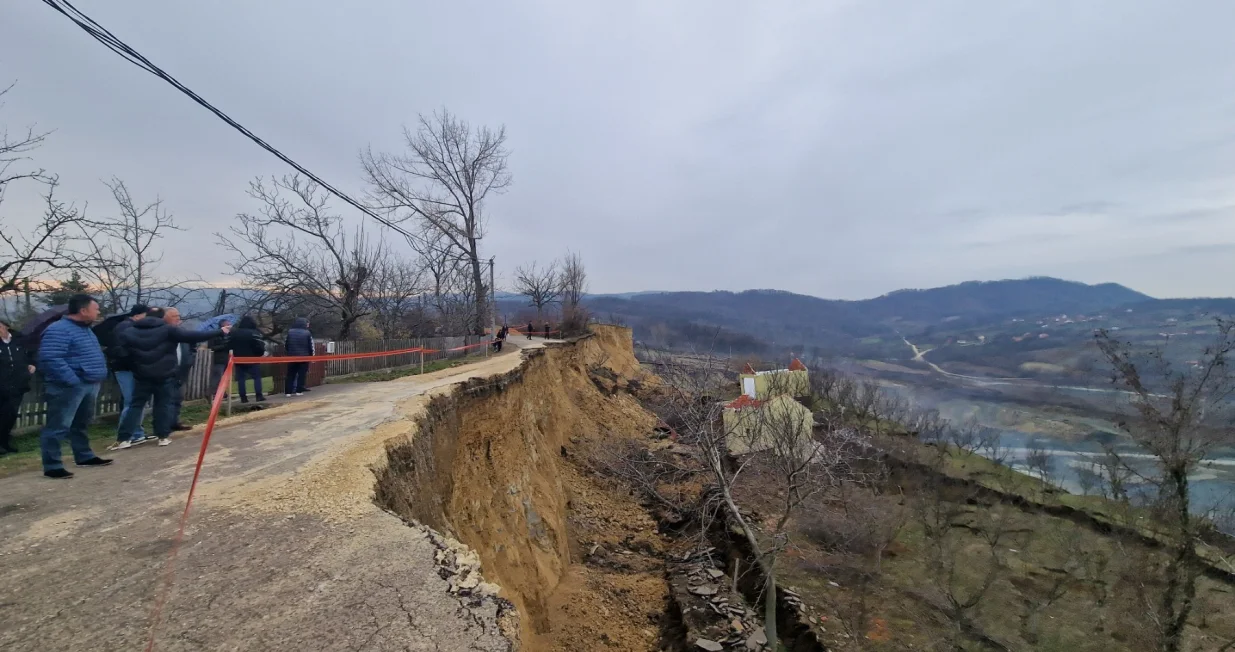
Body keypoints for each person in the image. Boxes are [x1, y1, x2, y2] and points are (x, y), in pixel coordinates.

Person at [116, 307, 228, 447]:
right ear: (162, 317)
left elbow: (121, 352)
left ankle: (124, 438)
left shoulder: (129, 331)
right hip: (165, 373)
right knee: (162, 405)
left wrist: (134, 365)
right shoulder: (168, 330)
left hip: (142, 374)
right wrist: (219, 331)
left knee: (136, 405)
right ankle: (162, 436)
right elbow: (193, 336)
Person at [37, 294, 112, 478]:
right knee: (58, 426)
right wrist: (72, 380)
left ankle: (84, 456)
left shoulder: (85, 329)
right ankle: (52, 466)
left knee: (80, 424)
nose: (98, 312)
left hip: (88, 383)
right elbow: (50, 358)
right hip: (69, 386)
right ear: (83, 310)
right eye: (96, 308)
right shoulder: (59, 329)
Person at [106, 304, 154, 451]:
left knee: (137, 401)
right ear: (139, 315)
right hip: (125, 368)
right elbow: (125, 349)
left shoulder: (128, 326)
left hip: (131, 368)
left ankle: (137, 433)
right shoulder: (126, 327)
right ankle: (126, 435)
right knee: (131, 402)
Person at [0, 319, 34, 455]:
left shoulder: (19, 340)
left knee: (11, 415)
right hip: (1, 385)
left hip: (18, 384)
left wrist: (32, 364)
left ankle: (5, 442)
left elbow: (31, 354)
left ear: (6, 327)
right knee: (2, 414)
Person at [229, 316, 267, 403]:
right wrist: (259, 354)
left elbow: (229, 345)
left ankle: (243, 397)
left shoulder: (234, 333)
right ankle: (259, 396)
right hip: (252, 358)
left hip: (238, 359)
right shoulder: (254, 333)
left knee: (241, 379)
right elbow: (260, 345)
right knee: (256, 377)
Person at [283, 317, 313, 397]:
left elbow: (286, 344)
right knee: (301, 374)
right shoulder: (307, 333)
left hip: (292, 357)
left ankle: (288, 392)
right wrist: (311, 356)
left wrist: (289, 352)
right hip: (304, 357)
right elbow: (311, 346)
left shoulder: (290, 332)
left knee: (290, 374)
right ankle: (299, 391)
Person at [207, 319, 232, 398]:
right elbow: (211, 347)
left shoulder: (228, 335)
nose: (229, 326)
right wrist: (224, 346)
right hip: (218, 359)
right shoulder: (215, 335)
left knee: (224, 377)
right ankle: (214, 393)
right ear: (223, 326)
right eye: (227, 325)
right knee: (217, 376)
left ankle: (222, 392)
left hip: (226, 358)